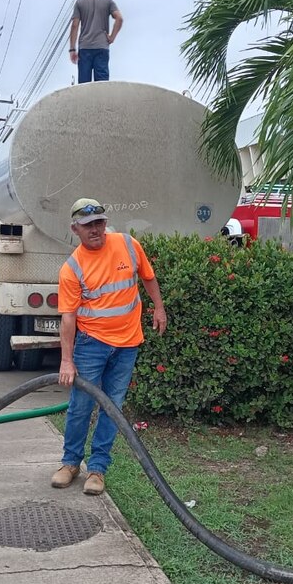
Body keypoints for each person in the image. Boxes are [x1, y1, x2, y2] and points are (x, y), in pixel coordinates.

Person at [52, 198, 166, 495]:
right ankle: (70, 463)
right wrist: (67, 360)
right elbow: (68, 318)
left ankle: (98, 470)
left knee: (111, 408)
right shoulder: (72, 268)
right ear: (74, 228)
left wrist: (159, 308)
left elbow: (148, 277)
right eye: (88, 225)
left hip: (128, 345)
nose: (96, 229)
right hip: (92, 345)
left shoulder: (128, 245)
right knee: (81, 407)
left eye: (100, 223)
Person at [69, 0, 123, 83]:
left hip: (84, 48)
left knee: (84, 85)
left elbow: (74, 25)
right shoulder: (108, 2)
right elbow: (119, 18)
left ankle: (85, 99)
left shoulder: (80, 3)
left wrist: (72, 49)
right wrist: (112, 37)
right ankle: (102, 99)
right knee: (102, 84)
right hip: (102, 47)